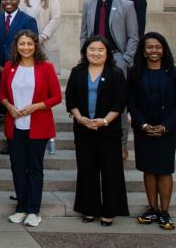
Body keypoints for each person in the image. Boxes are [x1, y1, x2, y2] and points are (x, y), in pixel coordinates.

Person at [0, 29, 60, 228]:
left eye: (29, 44)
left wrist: (35, 106)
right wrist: (9, 107)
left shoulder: (46, 68)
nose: (25, 47)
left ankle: (34, 210)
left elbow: (56, 97)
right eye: (22, 44)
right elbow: (1, 95)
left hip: (38, 126)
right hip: (15, 125)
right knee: (17, 168)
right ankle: (21, 208)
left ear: (35, 46)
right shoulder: (9, 67)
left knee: (34, 168)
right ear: (16, 46)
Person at [66, 36, 129, 225]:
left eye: (100, 49)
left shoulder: (116, 73)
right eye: (92, 49)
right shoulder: (77, 72)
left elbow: (120, 102)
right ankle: (89, 209)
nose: (96, 53)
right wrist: (80, 118)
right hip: (84, 129)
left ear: (107, 52)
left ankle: (109, 211)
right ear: (85, 52)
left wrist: (104, 121)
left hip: (108, 131)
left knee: (110, 171)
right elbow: (71, 99)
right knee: (87, 170)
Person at [128, 32, 176, 231]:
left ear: (164, 49)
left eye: (158, 47)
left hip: (167, 130)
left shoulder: (174, 72)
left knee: (164, 170)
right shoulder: (135, 72)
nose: (154, 50)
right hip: (143, 129)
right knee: (148, 169)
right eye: (149, 47)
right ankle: (152, 208)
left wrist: (165, 126)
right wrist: (143, 125)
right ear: (143, 51)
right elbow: (131, 103)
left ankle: (164, 211)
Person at [79, 0, 139, 156]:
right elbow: (84, 33)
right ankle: (92, 138)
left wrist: (126, 59)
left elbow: (134, 36)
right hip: (93, 59)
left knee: (118, 104)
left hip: (117, 59)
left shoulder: (126, 5)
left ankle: (122, 144)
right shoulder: (89, 5)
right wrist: (84, 55)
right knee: (93, 99)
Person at [0, 0, 39, 73]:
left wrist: (20, 67)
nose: (8, 2)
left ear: (18, 1)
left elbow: (33, 46)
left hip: (21, 69)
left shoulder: (28, 20)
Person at [19, 0, 62, 67]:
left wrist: (42, 37)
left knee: (47, 75)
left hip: (46, 41)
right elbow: (19, 19)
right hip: (27, 43)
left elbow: (55, 18)